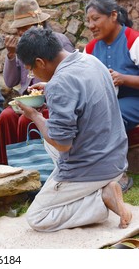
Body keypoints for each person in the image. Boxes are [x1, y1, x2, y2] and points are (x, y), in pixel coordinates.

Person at [15, 27, 132, 232]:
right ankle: (92, 188)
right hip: (116, 157)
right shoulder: (90, 60)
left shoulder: (60, 83)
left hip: (92, 165)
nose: (31, 74)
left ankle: (100, 199)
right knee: (47, 142)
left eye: (31, 69)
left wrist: (34, 116)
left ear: (40, 62)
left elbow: (63, 143)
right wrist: (50, 87)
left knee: (37, 217)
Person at [0, 0, 75, 165]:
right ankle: (8, 169)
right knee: (5, 117)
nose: (20, 34)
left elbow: (68, 77)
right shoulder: (22, 46)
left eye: (25, 29)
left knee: (26, 120)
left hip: (52, 102)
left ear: (39, 25)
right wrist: (11, 55)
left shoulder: (58, 42)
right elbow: (10, 82)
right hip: (28, 102)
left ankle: (33, 169)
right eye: (18, 30)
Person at [84, 0, 139, 193]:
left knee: (112, 115)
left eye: (96, 19)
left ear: (113, 15)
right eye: (88, 21)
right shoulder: (89, 49)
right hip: (106, 102)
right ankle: (90, 175)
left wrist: (123, 78)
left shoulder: (134, 40)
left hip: (134, 100)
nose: (91, 25)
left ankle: (118, 174)